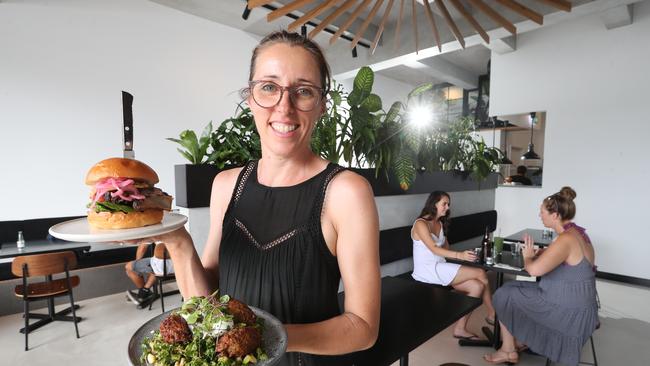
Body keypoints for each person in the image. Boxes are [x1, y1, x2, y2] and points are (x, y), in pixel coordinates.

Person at [131, 30, 380, 366]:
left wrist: (263, 337)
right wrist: (178, 243)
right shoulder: (226, 184)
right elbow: (205, 310)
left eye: (303, 91)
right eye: (268, 87)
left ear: (321, 105)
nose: (284, 106)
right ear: (250, 97)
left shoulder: (345, 191)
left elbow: (362, 328)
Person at [484, 187, 598, 365]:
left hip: (567, 311)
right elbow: (570, 257)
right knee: (512, 288)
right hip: (583, 305)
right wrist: (546, 251)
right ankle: (521, 340)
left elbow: (534, 271)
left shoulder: (565, 239)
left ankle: (508, 350)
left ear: (555, 216)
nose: (540, 215)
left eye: (542, 212)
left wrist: (528, 256)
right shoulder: (577, 233)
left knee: (502, 294)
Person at [411, 191, 496, 340]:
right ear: (434, 203)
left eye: (448, 204)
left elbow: (445, 249)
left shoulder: (439, 223)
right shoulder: (420, 224)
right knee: (481, 273)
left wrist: (464, 255)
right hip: (427, 270)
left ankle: (460, 328)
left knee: (477, 287)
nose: (447, 207)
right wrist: (460, 256)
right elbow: (433, 249)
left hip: (441, 266)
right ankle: (492, 314)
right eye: (444, 203)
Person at [125, 242, 175, 306]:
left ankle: (144, 293)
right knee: (154, 266)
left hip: (162, 266)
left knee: (129, 267)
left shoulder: (156, 233)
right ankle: (145, 290)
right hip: (178, 266)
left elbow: (142, 248)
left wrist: (137, 263)